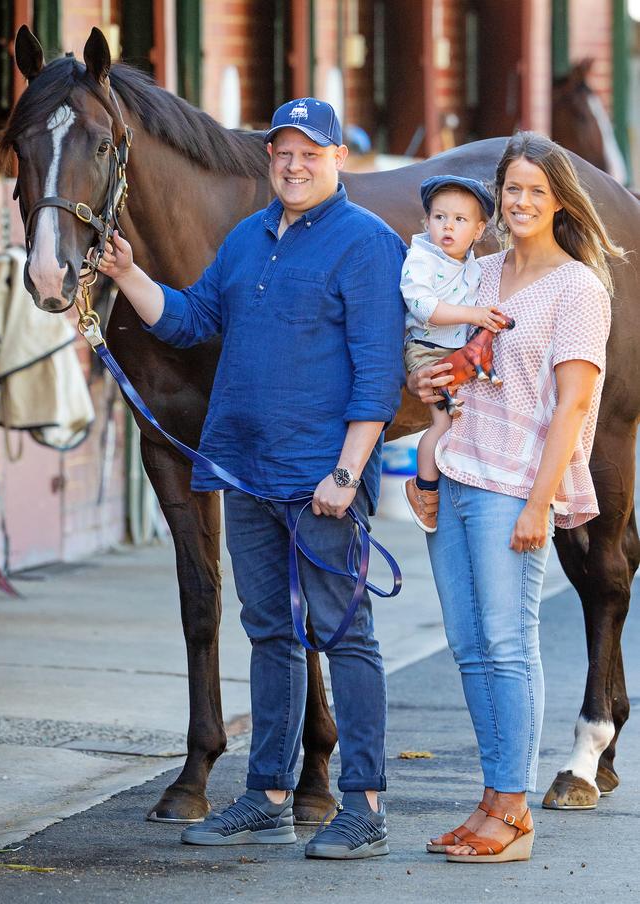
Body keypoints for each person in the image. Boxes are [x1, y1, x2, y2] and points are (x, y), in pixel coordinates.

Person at [97, 97, 406, 860]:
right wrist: (132, 277)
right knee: (269, 631)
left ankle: (363, 805)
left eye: (309, 153)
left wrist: (348, 469)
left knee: (344, 634)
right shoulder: (247, 239)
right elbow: (190, 318)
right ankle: (269, 793)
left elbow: (379, 371)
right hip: (245, 468)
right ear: (269, 158)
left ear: (337, 159)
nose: (294, 165)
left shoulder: (367, 243)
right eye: (282, 152)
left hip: (320, 477)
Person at [414, 132, 623, 863]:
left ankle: (516, 814)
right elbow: (454, 366)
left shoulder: (578, 289)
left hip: (516, 489)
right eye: (512, 188)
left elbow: (572, 409)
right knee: (471, 649)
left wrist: (542, 504)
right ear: (497, 197)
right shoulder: (481, 271)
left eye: (536, 189)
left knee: (508, 645)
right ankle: (494, 796)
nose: (522, 200)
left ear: (560, 199)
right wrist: (428, 401)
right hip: (460, 473)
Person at [400, 175, 504, 533]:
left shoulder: (474, 266)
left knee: (469, 415)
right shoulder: (421, 260)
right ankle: (424, 489)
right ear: (426, 222)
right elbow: (424, 307)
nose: (447, 226)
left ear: (478, 231)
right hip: (428, 351)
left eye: (460, 220)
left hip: (455, 350)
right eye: (439, 217)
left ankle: (460, 480)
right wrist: (474, 315)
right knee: (442, 423)